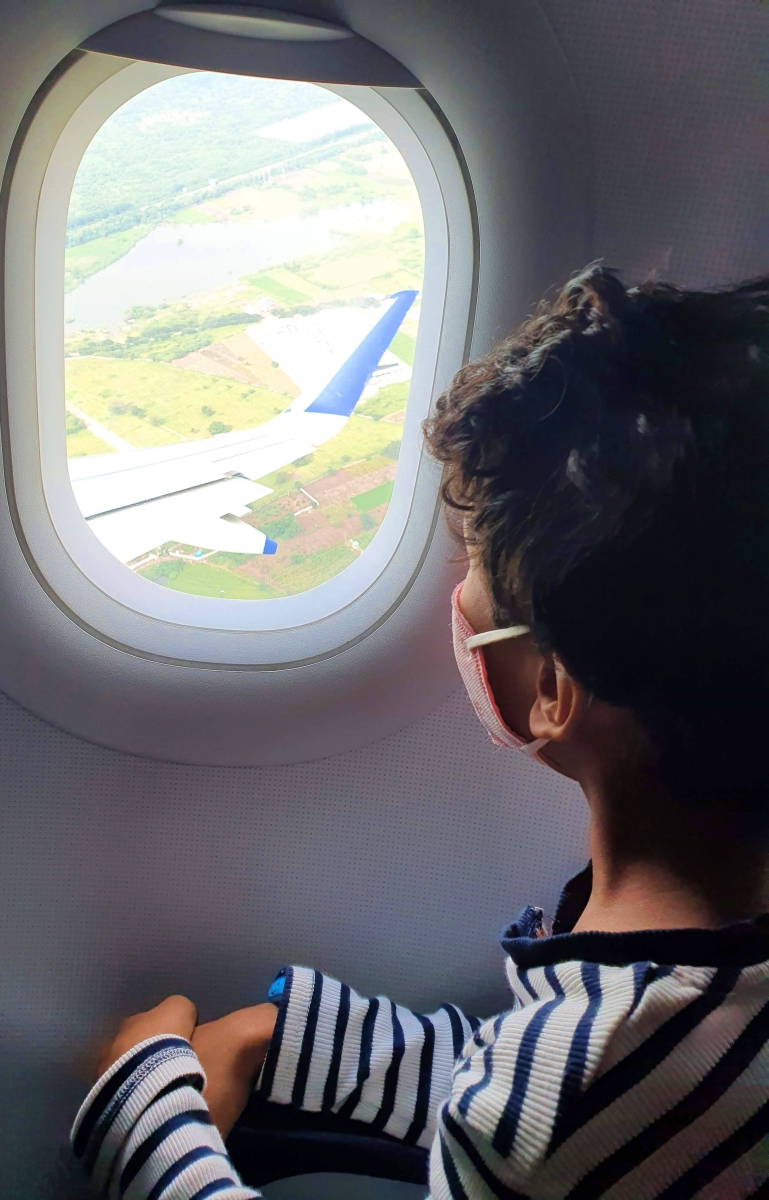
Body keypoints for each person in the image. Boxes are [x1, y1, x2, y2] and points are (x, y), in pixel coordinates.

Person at [70, 265, 769, 1198]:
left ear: (552, 686)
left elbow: (567, 1102)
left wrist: (147, 1124)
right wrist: (305, 1040)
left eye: (471, 569)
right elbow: (614, 1091)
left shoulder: (542, 1123)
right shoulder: (662, 1014)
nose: (457, 599)